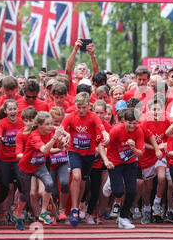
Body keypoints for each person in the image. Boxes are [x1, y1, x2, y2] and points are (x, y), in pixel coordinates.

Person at [61, 92, 110, 226]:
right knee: (76, 176)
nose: (81, 110)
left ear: (89, 105)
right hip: (74, 151)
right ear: (75, 106)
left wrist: (105, 133)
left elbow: (101, 127)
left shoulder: (93, 116)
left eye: (84, 107)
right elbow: (60, 129)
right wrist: (64, 135)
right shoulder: (71, 116)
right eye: (79, 107)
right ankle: (74, 209)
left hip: (88, 154)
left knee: (82, 180)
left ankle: (77, 206)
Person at [13, 112, 66, 230]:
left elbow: (51, 149)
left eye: (51, 123)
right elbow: (44, 150)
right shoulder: (34, 136)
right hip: (26, 167)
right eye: (47, 124)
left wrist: (61, 145)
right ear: (39, 125)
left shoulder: (50, 132)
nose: (50, 126)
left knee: (49, 183)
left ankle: (43, 212)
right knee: (26, 195)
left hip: (39, 165)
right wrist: (54, 138)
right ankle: (18, 215)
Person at [99, 108, 145, 229]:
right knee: (118, 192)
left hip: (130, 162)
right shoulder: (116, 130)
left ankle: (123, 217)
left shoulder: (139, 131)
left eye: (134, 123)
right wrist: (106, 161)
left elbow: (140, 154)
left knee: (132, 191)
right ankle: (110, 184)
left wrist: (133, 148)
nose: (132, 126)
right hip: (114, 163)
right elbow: (101, 145)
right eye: (129, 123)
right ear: (124, 121)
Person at [0, 99, 25, 225]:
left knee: (21, 181)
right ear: (6, 111)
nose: (12, 111)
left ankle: (16, 209)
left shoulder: (21, 122)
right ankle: (1, 211)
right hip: (5, 158)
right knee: (5, 186)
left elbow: (26, 136)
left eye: (14, 109)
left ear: (18, 110)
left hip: (18, 158)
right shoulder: (1, 123)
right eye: (10, 109)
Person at [48, 106, 70, 222]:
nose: (59, 124)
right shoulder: (46, 130)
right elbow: (47, 150)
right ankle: (53, 210)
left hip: (62, 162)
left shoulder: (66, 130)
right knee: (53, 190)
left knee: (65, 183)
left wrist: (67, 139)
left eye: (61, 121)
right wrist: (60, 148)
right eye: (56, 121)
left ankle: (62, 209)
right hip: (50, 163)